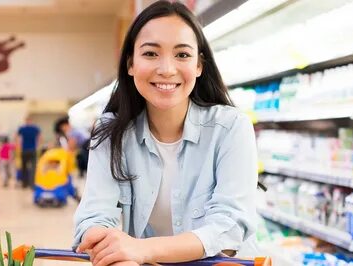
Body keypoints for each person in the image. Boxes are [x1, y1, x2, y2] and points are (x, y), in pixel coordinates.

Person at [73, 1, 258, 266]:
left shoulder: (231, 127)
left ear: (199, 66)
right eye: (150, 54)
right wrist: (114, 252)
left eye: (182, 55)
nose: (167, 69)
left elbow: (228, 228)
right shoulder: (111, 132)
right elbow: (94, 216)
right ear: (130, 64)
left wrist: (142, 250)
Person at [16, 116, 41, 188]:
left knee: (25, 167)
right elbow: (40, 137)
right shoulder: (35, 128)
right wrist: (38, 145)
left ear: (26, 120)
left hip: (25, 150)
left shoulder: (22, 128)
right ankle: (31, 184)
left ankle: (25, 184)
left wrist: (18, 145)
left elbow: (17, 137)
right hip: (31, 150)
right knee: (32, 168)